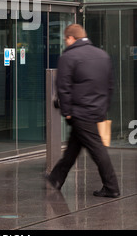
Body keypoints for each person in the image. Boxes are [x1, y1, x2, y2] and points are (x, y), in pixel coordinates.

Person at [46, 24, 120, 198]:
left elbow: (63, 88)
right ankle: (56, 179)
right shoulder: (102, 55)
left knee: (97, 149)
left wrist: (67, 112)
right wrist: (103, 108)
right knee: (73, 147)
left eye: (66, 39)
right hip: (95, 110)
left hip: (80, 112)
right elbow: (110, 86)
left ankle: (112, 187)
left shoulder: (69, 57)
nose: (66, 42)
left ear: (71, 38)